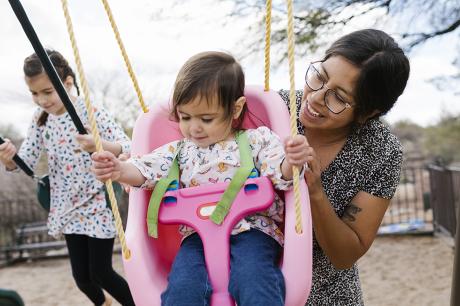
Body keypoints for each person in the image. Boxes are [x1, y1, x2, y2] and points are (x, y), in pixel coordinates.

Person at [91, 51, 309, 306]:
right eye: (185, 117)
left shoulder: (256, 140)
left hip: (253, 230)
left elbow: (279, 172)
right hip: (197, 239)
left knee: (254, 280)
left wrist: (291, 160)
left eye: (206, 119)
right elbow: (143, 170)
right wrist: (118, 169)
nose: (194, 127)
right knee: (182, 289)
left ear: (235, 108)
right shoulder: (179, 152)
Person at [279, 29, 410, 305]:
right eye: (319, 77)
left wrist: (314, 191)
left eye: (338, 97)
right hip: (247, 287)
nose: (315, 97)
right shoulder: (275, 109)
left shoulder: (381, 151)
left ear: (367, 112)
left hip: (327, 296)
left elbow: (345, 255)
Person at [0, 50, 135, 306]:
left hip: (97, 202)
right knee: (82, 278)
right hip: (66, 206)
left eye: (48, 92)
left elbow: (126, 145)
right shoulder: (40, 120)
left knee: (101, 272)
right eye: (35, 93)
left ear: (68, 83)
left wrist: (98, 144)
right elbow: (26, 162)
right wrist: (9, 158)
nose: (41, 100)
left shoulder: (90, 111)